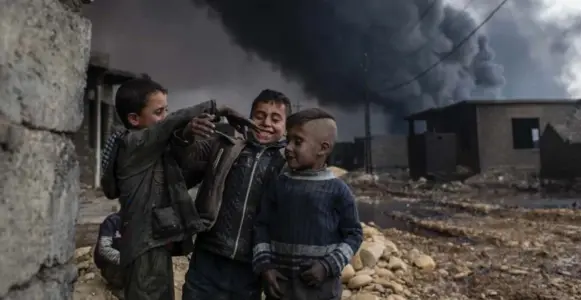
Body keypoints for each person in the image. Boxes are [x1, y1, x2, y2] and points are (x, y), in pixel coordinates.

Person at [100, 78, 252, 300]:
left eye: (165, 110)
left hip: (154, 242)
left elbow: (181, 155)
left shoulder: (152, 149)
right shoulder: (134, 143)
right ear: (134, 119)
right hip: (144, 247)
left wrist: (188, 133)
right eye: (158, 112)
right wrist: (217, 108)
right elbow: (171, 123)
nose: (164, 117)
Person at [174, 89, 292, 300]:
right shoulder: (224, 146)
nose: (266, 123)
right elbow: (185, 155)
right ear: (247, 118)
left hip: (251, 265)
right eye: (259, 115)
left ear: (286, 128)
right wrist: (192, 129)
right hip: (208, 256)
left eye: (275, 119)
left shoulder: (287, 165)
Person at [252, 108, 363, 300]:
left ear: (323, 148)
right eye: (288, 140)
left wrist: (327, 266)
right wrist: (265, 267)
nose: (288, 148)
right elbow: (261, 225)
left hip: (321, 291)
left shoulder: (338, 190)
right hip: (281, 289)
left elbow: (354, 234)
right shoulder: (279, 186)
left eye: (298, 142)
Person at [94, 212, 124, 298]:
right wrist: (126, 259)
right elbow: (104, 249)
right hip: (113, 267)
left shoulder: (140, 222)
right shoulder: (112, 221)